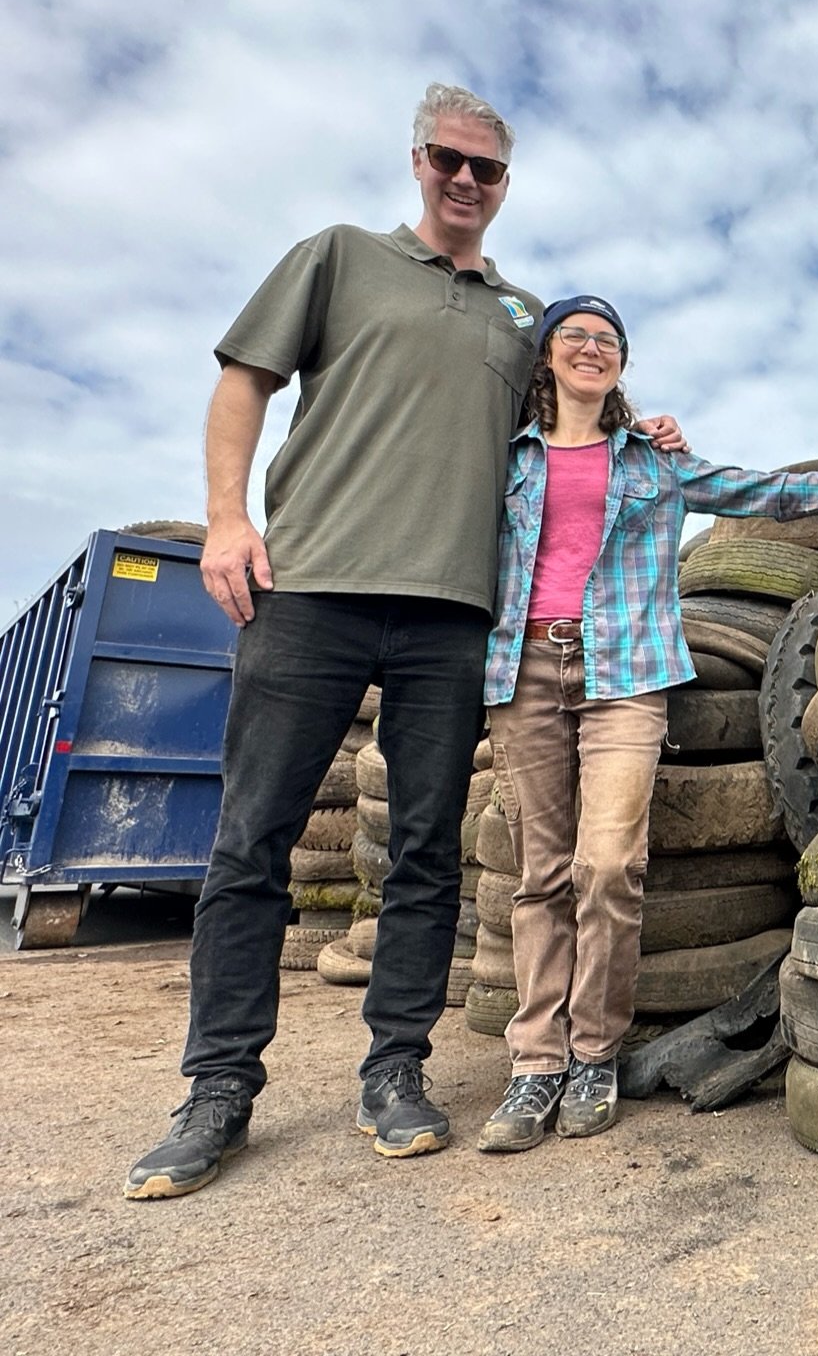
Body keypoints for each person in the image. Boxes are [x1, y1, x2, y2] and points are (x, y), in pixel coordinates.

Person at [125, 85, 688, 1199]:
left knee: (428, 854)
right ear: (418, 161)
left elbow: (582, 417)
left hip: (454, 619)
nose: (466, 181)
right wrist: (229, 519)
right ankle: (219, 1089)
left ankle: (397, 1072)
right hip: (315, 588)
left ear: (506, 185)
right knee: (253, 843)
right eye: (449, 160)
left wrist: (654, 427)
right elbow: (243, 382)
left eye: (486, 168)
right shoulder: (338, 257)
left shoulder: (523, 316)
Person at [475, 294, 818, 1149]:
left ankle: (592, 1052)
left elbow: (759, 492)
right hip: (522, 670)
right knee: (540, 875)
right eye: (575, 337)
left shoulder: (653, 462)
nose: (592, 349)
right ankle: (533, 1067)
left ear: (622, 365)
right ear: (546, 359)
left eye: (608, 340)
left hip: (627, 676)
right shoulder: (504, 457)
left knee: (607, 865)